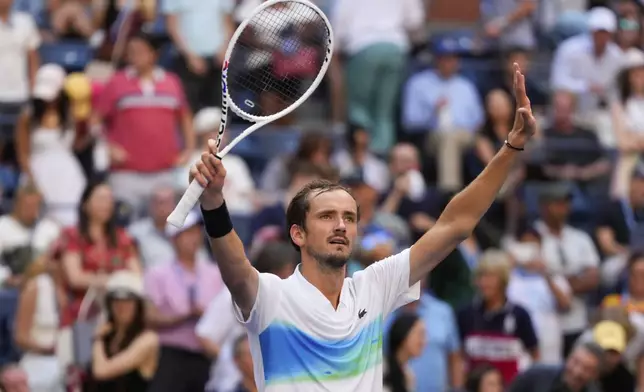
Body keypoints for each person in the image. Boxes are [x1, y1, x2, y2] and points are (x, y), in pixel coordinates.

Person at [188, 64, 536, 391]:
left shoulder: (373, 287)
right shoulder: (271, 295)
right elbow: (234, 268)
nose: (341, 225)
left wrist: (512, 146)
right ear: (298, 234)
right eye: (326, 216)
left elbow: (456, 225)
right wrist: (214, 203)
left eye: (349, 217)